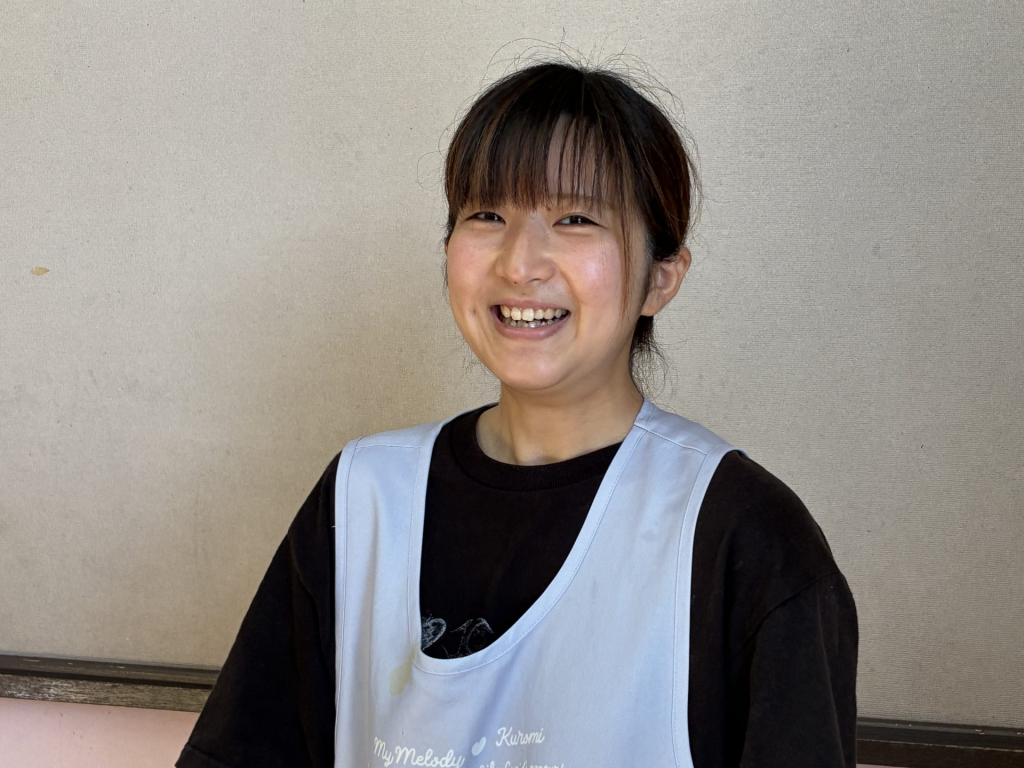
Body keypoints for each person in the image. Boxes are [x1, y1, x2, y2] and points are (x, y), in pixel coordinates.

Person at [176, 57, 858, 768]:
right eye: (487, 215)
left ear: (662, 278)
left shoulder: (746, 539)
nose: (519, 262)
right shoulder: (362, 497)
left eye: (575, 218)